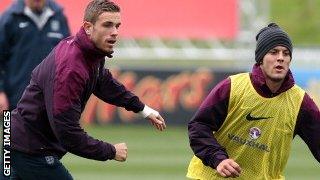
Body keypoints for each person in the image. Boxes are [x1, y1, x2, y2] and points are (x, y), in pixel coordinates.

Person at [8, 0, 166, 179]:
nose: (114, 32)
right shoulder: (71, 69)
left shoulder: (88, 52)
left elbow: (104, 82)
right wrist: (111, 151)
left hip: (18, 139)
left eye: (117, 26)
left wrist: (143, 109)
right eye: (107, 25)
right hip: (30, 148)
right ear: (88, 27)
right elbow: (67, 133)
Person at [187, 23, 320, 179]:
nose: (280, 58)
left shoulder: (300, 102)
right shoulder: (232, 87)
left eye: (286, 53)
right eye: (273, 52)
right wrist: (218, 159)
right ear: (261, 58)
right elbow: (199, 126)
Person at [0, 0, 70, 112]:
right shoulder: (9, 18)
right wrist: (0, 92)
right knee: (7, 130)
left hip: (50, 101)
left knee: (51, 130)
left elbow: (68, 58)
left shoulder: (59, 17)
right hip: (14, 101)